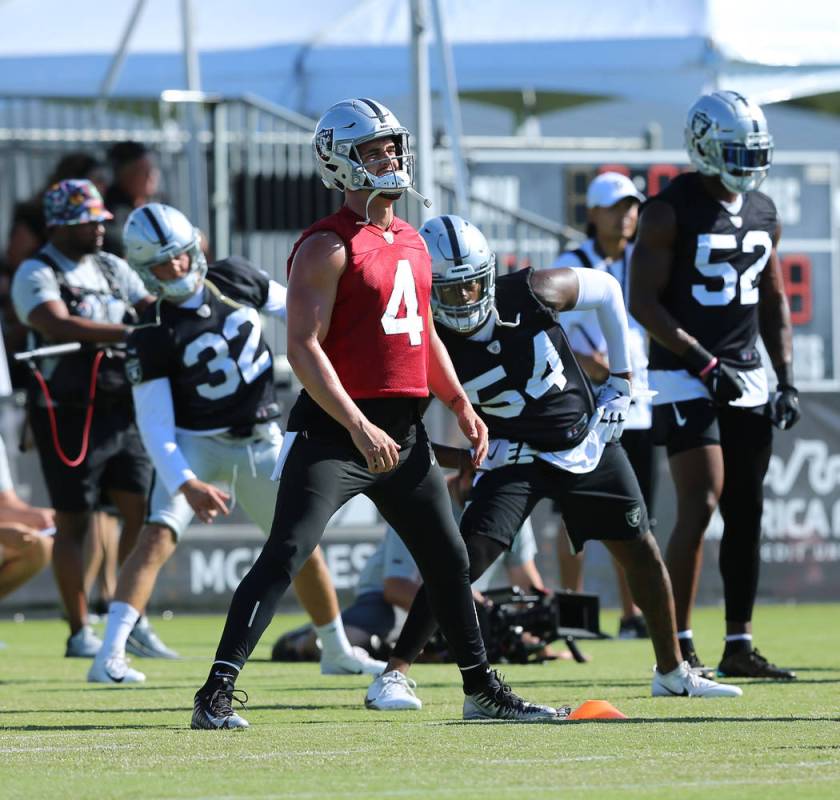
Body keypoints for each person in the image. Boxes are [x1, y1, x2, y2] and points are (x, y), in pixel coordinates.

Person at [190, 98, 558, 730]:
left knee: (448, 562)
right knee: (287, 553)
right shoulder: (326, 246)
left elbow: (424, 338)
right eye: (373, 149)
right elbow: (302, 348)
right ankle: (215, 693)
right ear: (339, 159)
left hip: (404, 435)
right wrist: (357, 426)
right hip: (336, 434)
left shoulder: (413, 241)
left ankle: (480, 692)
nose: (390, 157)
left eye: (392, 146)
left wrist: (460, 402)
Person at [373, 213, 743, 706]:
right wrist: (463, 457)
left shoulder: (532, 290)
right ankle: (393, 674)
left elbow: (610, 290)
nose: (464, 300)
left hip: (584, 441)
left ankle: (672, 670)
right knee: (458, 562)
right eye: (449, 290)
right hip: (515, 459)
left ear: (489, 274)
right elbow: (403, 433)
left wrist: (622, 382)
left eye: (471, 286)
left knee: (642, 552)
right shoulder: (425, 343)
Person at [88, 202, 386, 683]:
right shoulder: (149, 329)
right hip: (196, 441)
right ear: (146, 270)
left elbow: (298, 311)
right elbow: (155, 425)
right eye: (163, 262)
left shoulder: (235, 277)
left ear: (195, 247)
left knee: (300, 543)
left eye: (181, 254)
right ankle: (110, 654)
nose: (177, 267)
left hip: (260, 437)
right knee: (157, 536)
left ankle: (335, 649)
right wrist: (185, 482)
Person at [629, 90, 800, 680]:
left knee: (746, 509)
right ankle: (678, 646)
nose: (747, 165)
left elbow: (774, 301)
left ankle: (740, 644)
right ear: (702, 146)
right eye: (735, 151)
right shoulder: (667, 210)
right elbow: (643, 302)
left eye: (754, 152)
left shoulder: (764, 210)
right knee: (700, 500)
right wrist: (702, 362)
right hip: (683, 371)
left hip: (745, 371)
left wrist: (788, 380)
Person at [10, 179, 166, 658]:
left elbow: (150, 307)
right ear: (59, 225)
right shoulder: (35, 271)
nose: (99, 228)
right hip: (67, 412)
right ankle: (80, 630)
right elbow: (55, 322)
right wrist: (129, 331)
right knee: (75, 521)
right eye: (86, 222)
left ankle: (127, 617)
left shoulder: (112, 265)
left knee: (140, 511)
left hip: (122, 406)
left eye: (101, 220)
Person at [551, 171, 653, 638]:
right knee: (571, 513)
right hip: (585, 405)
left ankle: (632, 615)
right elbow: (551, 333)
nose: (626, 215)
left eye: (631, 205)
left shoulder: (644, 260)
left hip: (638, 406)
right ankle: (574, 619)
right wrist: (590, 365)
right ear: (593, 213)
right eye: (616, 207)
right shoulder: (571, 262)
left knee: (634, 514)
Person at [271, 518, 548, 663]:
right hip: (389, 603)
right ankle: (304, 639)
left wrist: (541, 633)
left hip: (459, 608)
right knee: (351, 643)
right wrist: (462, 613)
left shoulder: (509, 513)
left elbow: (526, 583)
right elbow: (396, 588)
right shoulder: (429, 507)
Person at [103, 142, 160, 258]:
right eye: (142, 171)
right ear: (123, 174)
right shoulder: (112, 211)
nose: (150, 176)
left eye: (152, 169)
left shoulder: (158, 204)